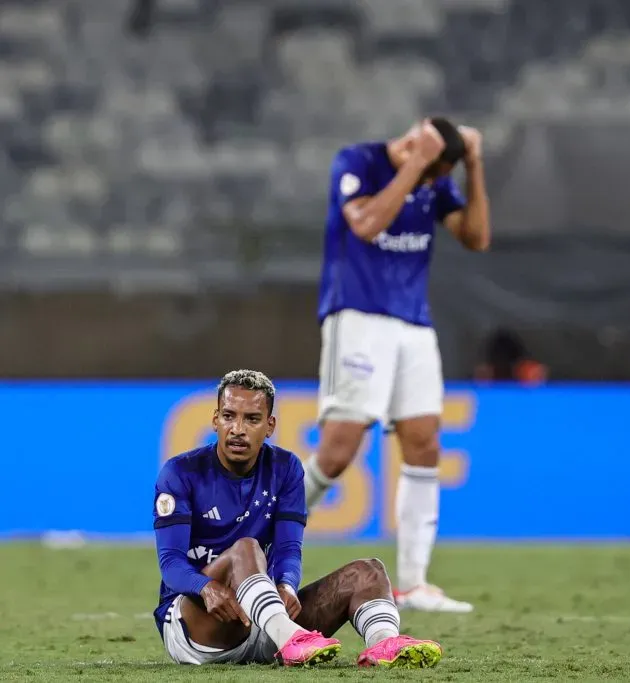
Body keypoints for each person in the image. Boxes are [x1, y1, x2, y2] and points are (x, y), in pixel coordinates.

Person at [302, 118, 491, 613]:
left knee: (425, 442)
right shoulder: (358, 162)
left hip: (413, 322)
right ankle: (257, 540)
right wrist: (416, 166)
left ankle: (412, 583)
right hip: (357, 316)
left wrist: (473, 165)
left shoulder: (436, 181)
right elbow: (365, 225)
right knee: (339, 450)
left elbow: (476, 237)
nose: (432, 185)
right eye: (434, 174)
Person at [153, 369, 443, 668]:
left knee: (369, 572)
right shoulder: (181, 472)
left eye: (251, 419)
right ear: (215, 420)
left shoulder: (285, 468)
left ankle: (384, 644)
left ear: (270, 425)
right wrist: (205, 587)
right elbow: (171, 563)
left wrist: (287, 587)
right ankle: (289, 637)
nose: (237, 429)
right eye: (229, 416)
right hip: (198, 626)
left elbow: (289, 549)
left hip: (263, 617)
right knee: (246, 549)